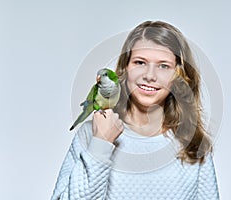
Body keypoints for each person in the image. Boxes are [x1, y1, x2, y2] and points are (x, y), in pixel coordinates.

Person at [51, 20, 220, 200]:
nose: (149, 76)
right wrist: (101, 143)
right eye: (140, 62)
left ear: (178, 75)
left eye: (163, 66)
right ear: (125, 68)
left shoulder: (193, 144)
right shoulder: (90, 134)